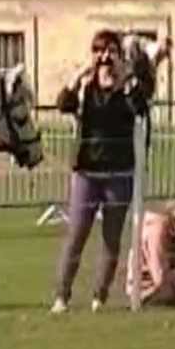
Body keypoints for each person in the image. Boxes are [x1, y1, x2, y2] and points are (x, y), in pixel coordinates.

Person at [50, 30, 163, 314]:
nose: (105, 58)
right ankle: (61, 296)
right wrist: (78, 76)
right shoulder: (86, 90)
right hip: (87, 173)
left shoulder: (129, 88)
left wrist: (125, 82)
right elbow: (63, 104)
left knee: (111, 240)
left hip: (118, 174)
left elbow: (140, 110)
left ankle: (99, 297)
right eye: (99, 51)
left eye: (111, 51)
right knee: (76, 236)